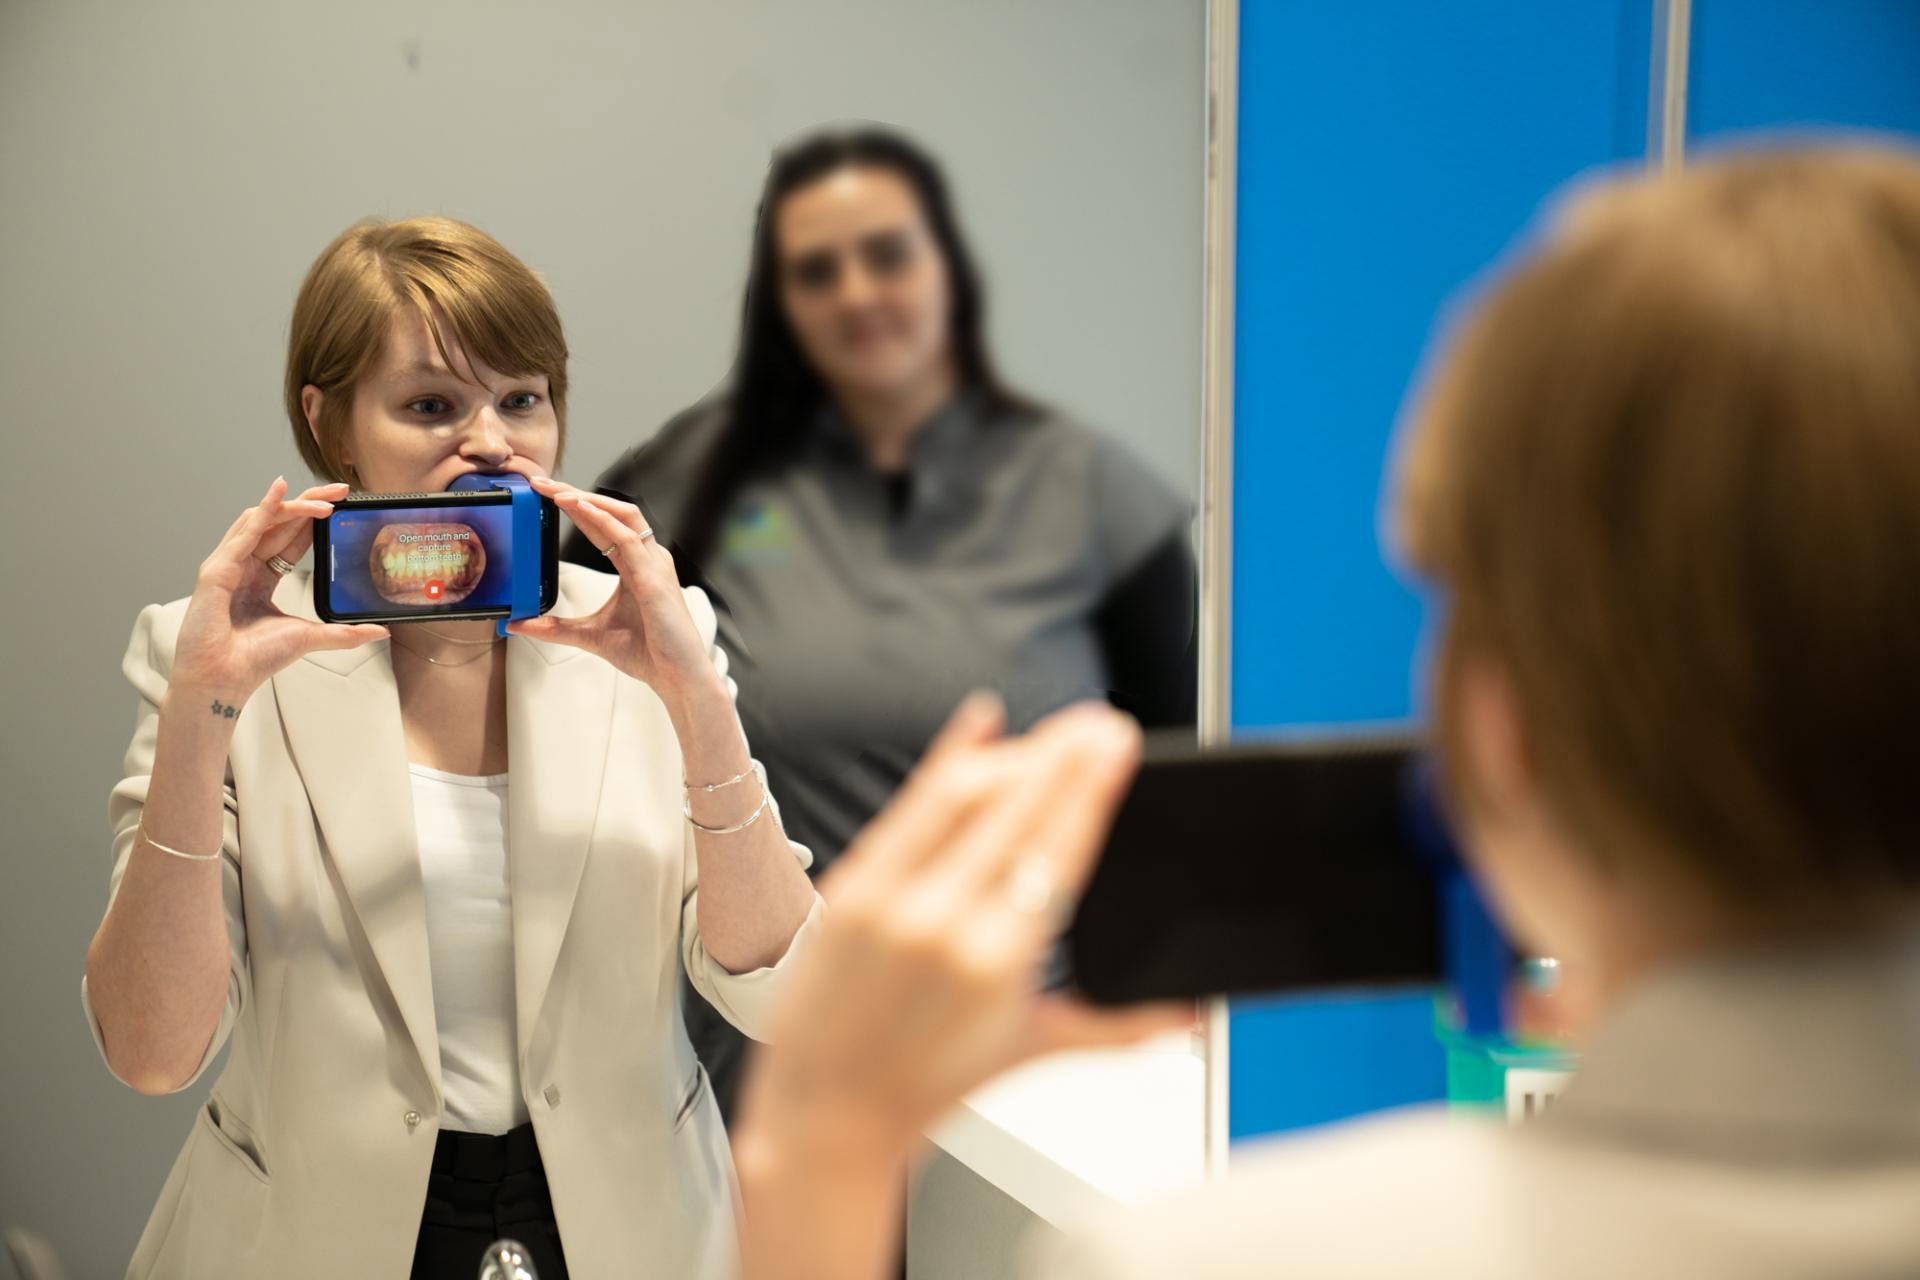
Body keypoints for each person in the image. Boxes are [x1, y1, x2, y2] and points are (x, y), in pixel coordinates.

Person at [728, 144, 1920, 1278]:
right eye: (820, 269)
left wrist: (819, 1147)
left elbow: (1163, 692)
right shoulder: (719, 490)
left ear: (1500, 727)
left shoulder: (1226, 1262)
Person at [79, 217, 822, 1280]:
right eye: (431, 405)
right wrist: (205, 709)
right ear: (331, 424)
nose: (491, 442)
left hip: (635, 1232)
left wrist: (695, 701)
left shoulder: (657, 637)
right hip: (310, 1242)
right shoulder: (214, 656)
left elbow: (785, 999)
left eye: (523, 399)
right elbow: (153, 1054)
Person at [565, 125, 1196, 1120]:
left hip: (1039, 1101)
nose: (857, 293)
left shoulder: (1094, 497)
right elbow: (558, 747)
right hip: (775, 1082)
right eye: (817, 268)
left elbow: (1177, 796)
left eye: (890, 255)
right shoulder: (680, 491)